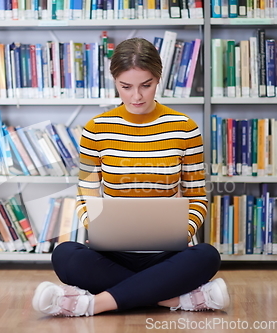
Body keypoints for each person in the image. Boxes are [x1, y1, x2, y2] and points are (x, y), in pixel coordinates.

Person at [32, 37, 229, 317]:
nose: (136, 96)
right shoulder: (96, 129)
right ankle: (174, 298)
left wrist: (183, 233)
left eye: (145, 85)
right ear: (115, 81)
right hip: (113, 253)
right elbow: (86, 193)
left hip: (166, 253)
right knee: (64, 255)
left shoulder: (185, 129)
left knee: (207, 255)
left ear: (158, 79)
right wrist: (96, 227)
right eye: (126, 87)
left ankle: (92, 303)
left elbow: (197, 196)